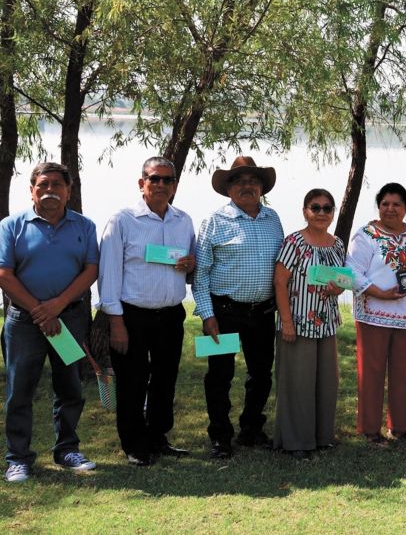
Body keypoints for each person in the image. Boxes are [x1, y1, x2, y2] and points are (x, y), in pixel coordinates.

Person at [1, 162, 99, 483]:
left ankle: (67, 450)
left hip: (69, 319)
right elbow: (4, 273)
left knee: (70, 386)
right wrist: (40, 311)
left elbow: (91, 270)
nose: (50, 190)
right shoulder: (11, 226)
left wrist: (56, 306)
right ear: (31, 190)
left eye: (57, 184)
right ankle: (18, 459)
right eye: (42, 185)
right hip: (23, 322)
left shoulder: (85, 226)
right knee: (19, 391)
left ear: (69, 191)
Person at [98, 157, 196, 466]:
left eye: (168, 180)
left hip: (170, 314)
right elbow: (108, 274)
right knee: (132, 381)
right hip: (132, 316)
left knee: (165, 380)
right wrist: (116, 323)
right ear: (142, 183)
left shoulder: (184, 221)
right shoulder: (122, 221)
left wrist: (190, 264)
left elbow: (190, 267)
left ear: (175, 186)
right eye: (155, 179)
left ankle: (157, 437)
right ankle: (134, 444)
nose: (161, 184)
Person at [194, 156, 284, 459]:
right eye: (239, 181)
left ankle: (251, 428)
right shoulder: (214, 221)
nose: (247, 186)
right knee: (219, 376)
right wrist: (207, 315)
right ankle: (220, 436)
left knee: (261, 374)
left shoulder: (273, 219)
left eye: (253, 180)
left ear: (261, 187)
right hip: (223, 312)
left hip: (262, 312)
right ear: (229, 188)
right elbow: (200, 274)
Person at [346, 183, 406, 446]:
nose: (390, 209)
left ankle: (400, 428)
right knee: (372, 372)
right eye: (385, 204)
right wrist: (379, 292)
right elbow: (352, 271)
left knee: (403, 372)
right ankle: (370, 430)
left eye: (396, 204)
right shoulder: (366, 235)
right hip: (373, 314)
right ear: (378, 206)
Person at [272, 189, 346, 459]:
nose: (321, 213)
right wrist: (287, 322)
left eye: (327, 208)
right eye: (315, 208)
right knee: (298, 383)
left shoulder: (337, 244)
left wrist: (338, 288)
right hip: (298, 323)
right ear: (305, 211)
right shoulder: (294, 242)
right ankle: (296, 442)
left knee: (326, 383)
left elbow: (342, 280)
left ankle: (322, 436)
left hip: (327, 324)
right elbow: (280, 282)